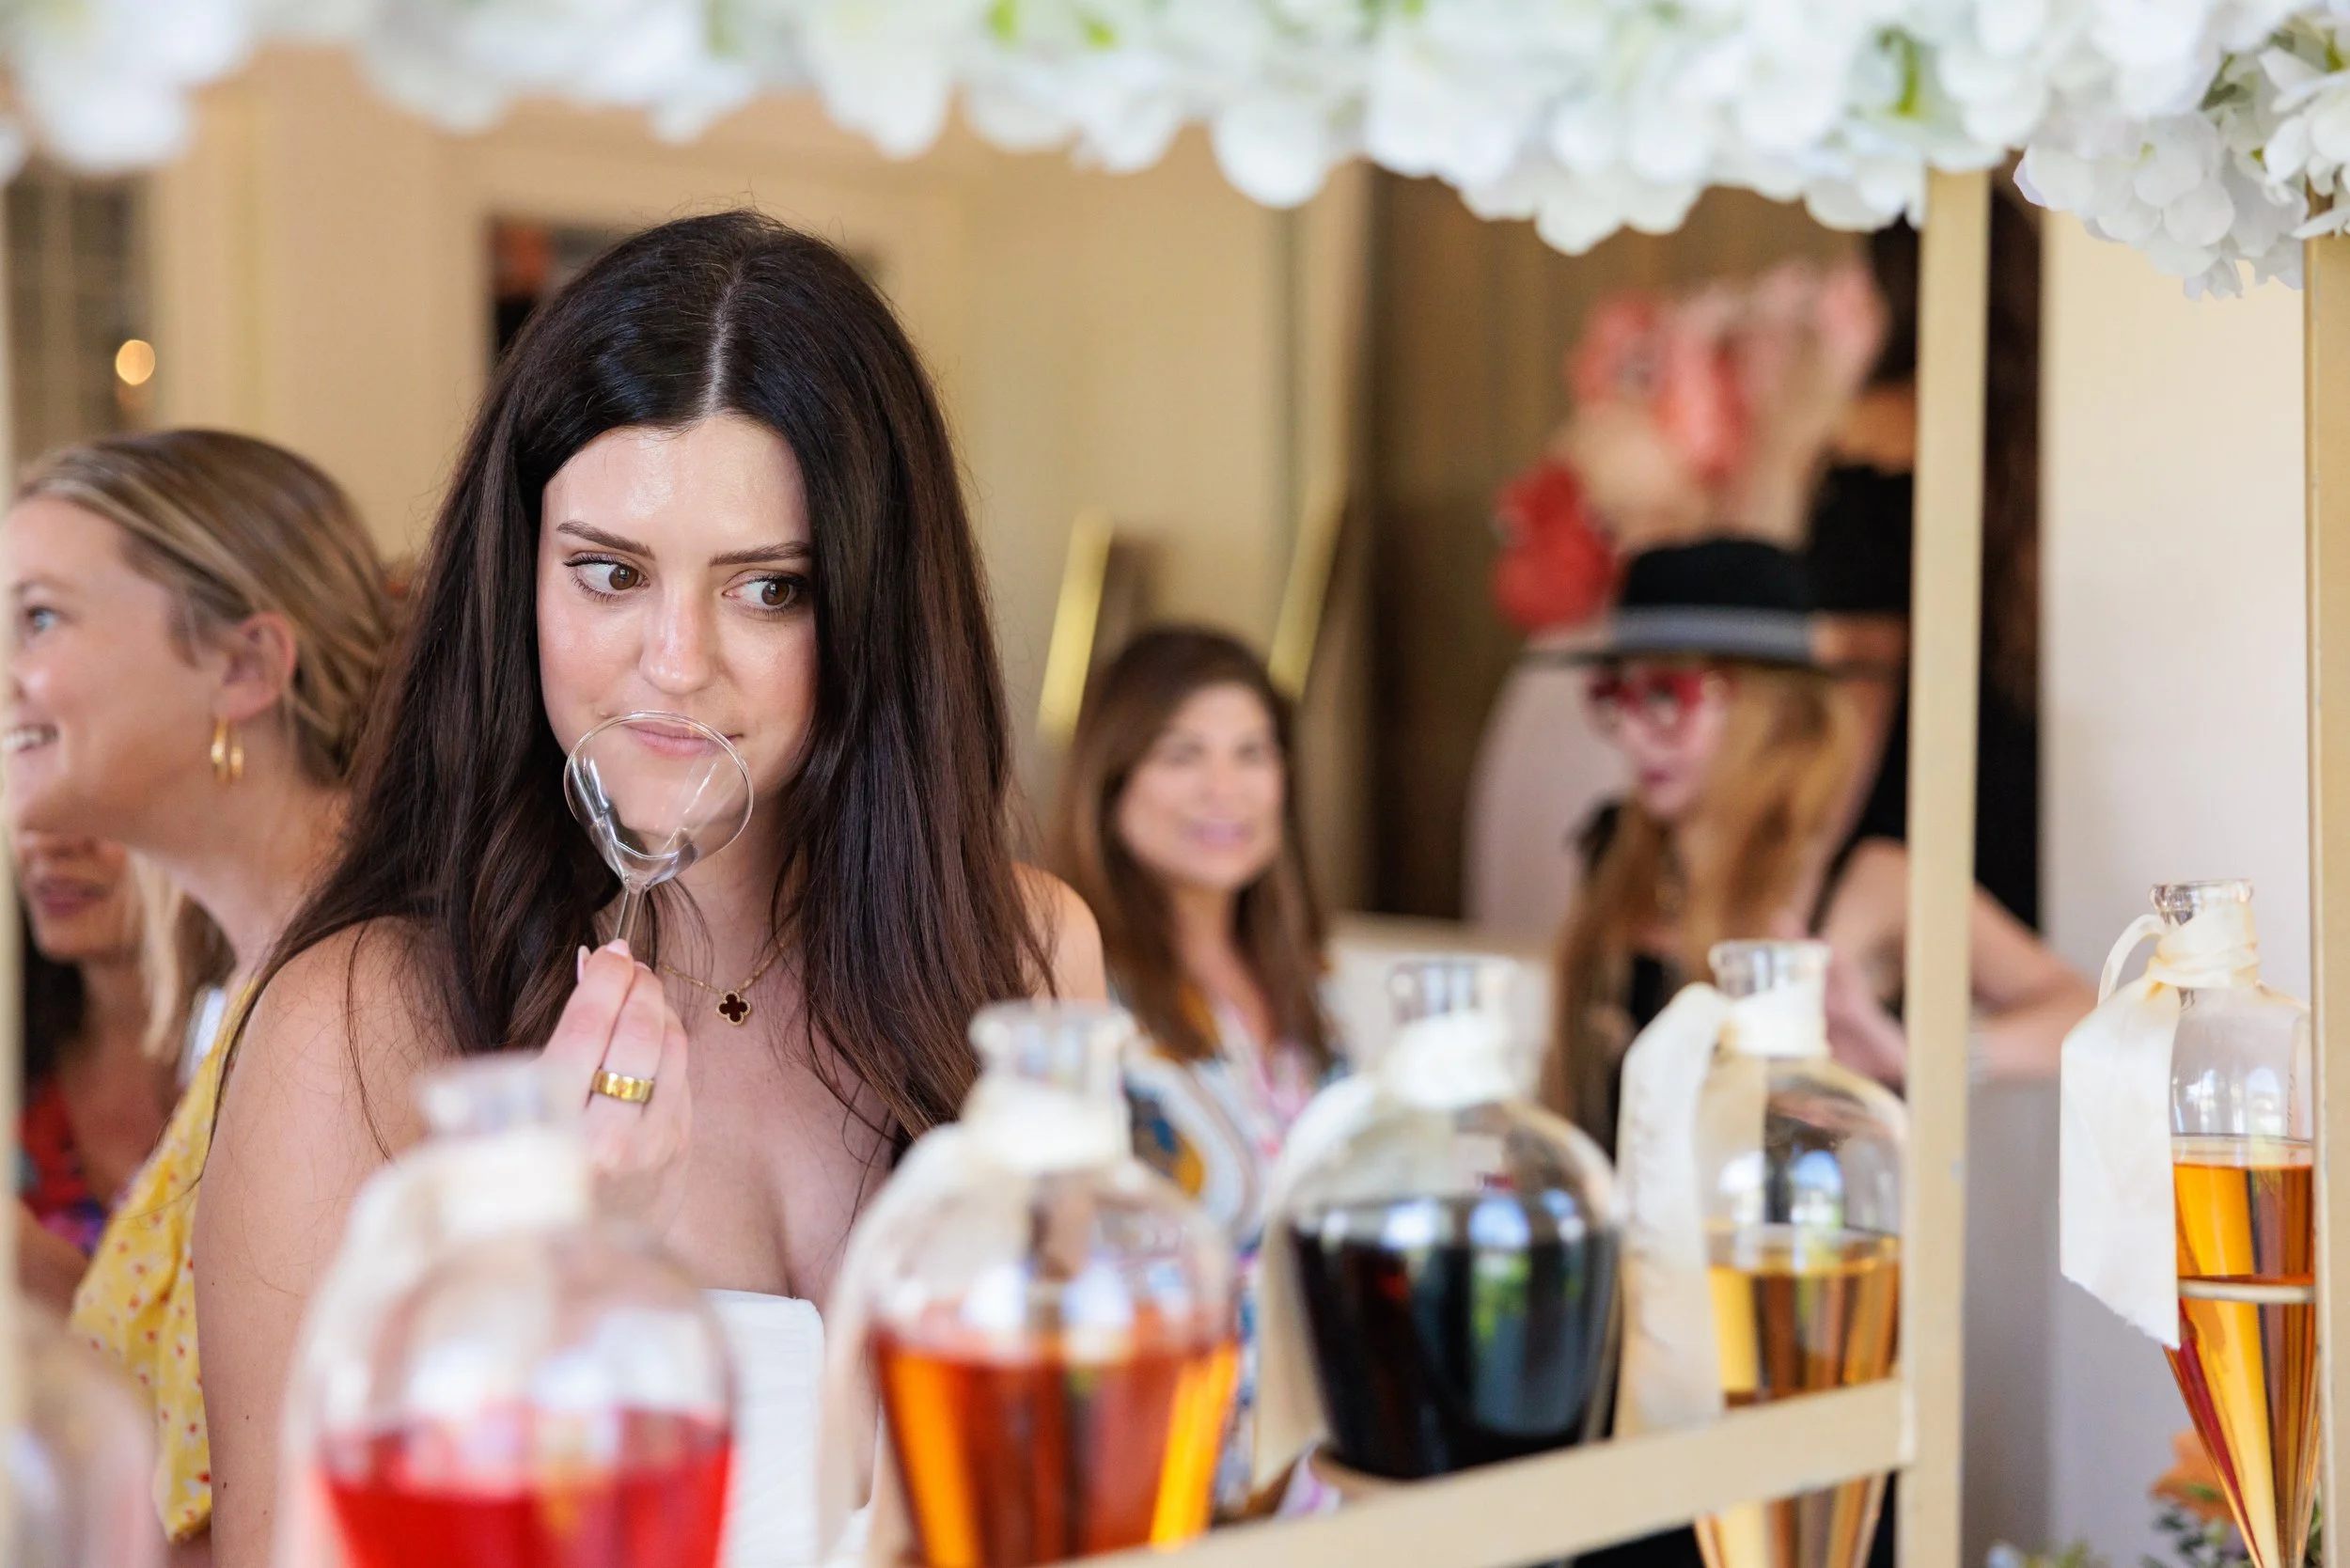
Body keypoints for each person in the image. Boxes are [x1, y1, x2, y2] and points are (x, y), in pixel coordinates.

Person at [196, 211, 1105, 1568]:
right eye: (610, 573)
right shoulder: (352, 1030)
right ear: (520, 578)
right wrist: (551, 1283)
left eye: (769, 591)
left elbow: (1073, 1493)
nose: (676, 664)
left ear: (873, 611)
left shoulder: (1026, 958)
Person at [0, 429, 397, 1560]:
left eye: (38, 619)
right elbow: (206, 1419)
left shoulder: (352, 1002)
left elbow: (279, 1533)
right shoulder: (249, 994)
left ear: (243, 668)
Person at [1545, 538, 2093, 1151]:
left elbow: (2085, 1011)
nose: (1634, 736)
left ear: (1773, 710)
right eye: (1614, 697)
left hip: (1796, 1249)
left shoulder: (1869, 881)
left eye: (1667, 696)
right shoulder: (1615, 857)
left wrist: (1925, 1058)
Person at [1051, 625, 1334, 1513]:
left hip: (1342, 1461)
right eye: (1182, 754)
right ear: (1113, 778)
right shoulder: (1082, 1003)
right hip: (1181, 1480)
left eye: (1252, 753)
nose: (1225, 788)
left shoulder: (1310, 987)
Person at [13, 834, 183, 1309]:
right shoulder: (16, 1068)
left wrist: (63, 1292)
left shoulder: (274, 1058)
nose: (48, 844)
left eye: (95, 805)